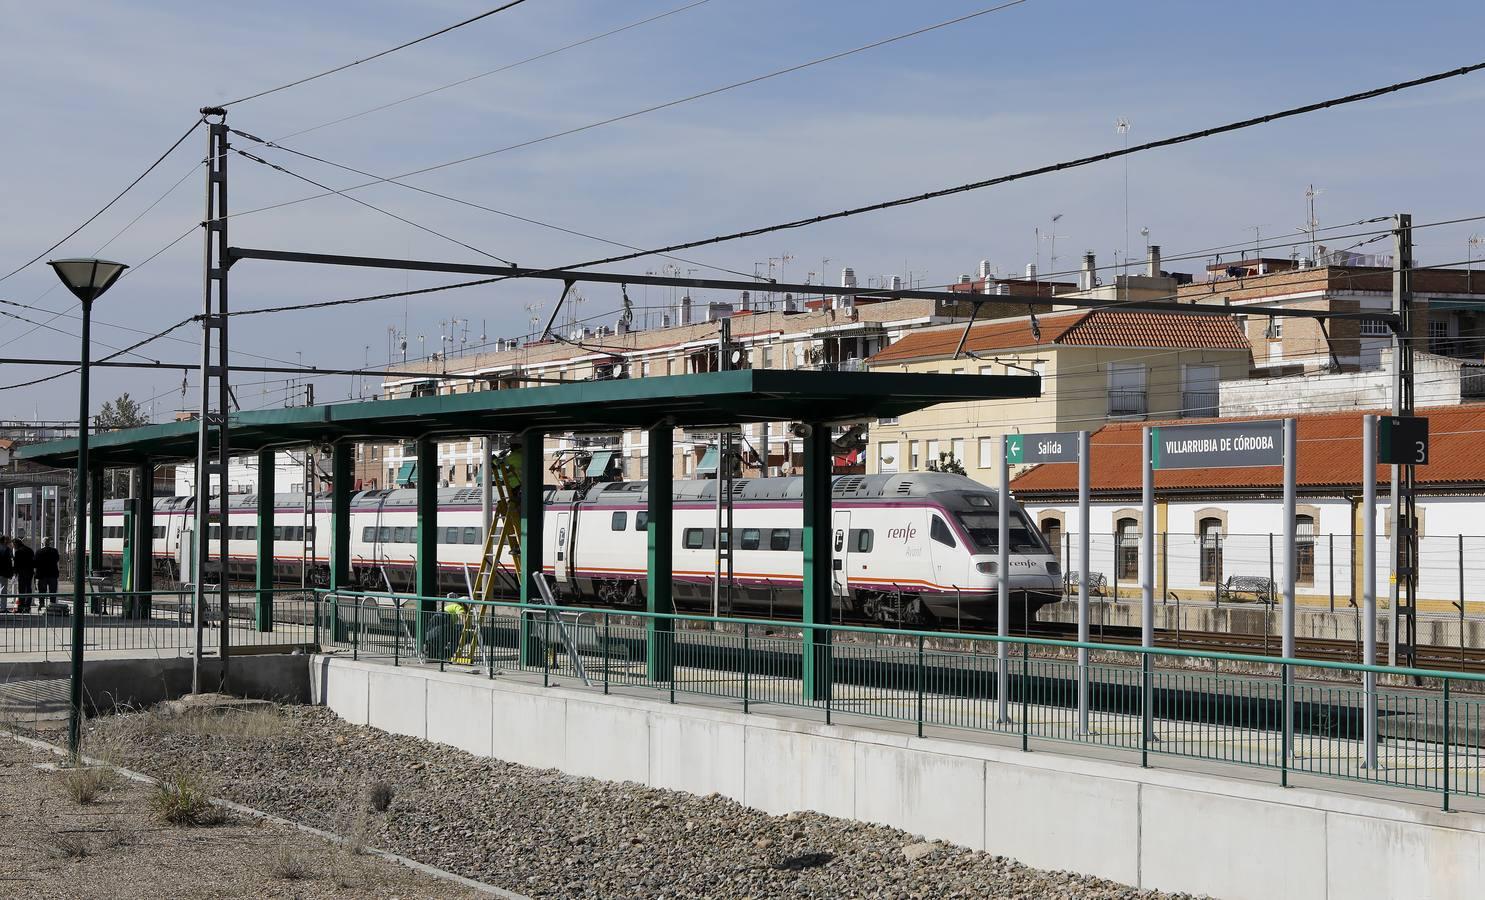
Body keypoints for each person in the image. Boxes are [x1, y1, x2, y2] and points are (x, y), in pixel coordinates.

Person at [34, 538, 59, 607]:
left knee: (42, 591)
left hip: (42, 575)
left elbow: (35, 563)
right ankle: (52, 605)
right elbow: (57, 560)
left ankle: (41, 604)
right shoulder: (54, 551)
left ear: (42, 543)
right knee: (53, 591)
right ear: (50, 543)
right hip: (52, 574)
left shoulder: (38, 552)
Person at [12, 536, 33, 613]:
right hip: (29, 572)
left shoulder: (18, 552)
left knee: (21, 590)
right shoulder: (30, 550)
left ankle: (21, 607)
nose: (13, 547)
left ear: (16, 544)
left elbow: (16, 564)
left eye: (13, 545)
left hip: (22, 573)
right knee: (28, 589)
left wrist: (15, 573)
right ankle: (27, 606)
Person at [0, 535, 11, 612]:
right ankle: (3, 607)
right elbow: (9, 562)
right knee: (3, 590)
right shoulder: (7, 549)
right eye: (8, 540)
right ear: (4, 541)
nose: (9, 542)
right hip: (3, 572)